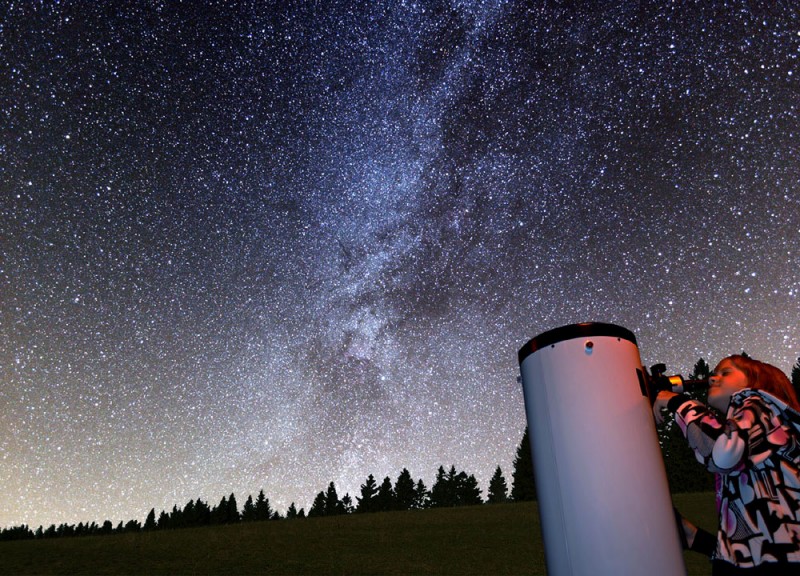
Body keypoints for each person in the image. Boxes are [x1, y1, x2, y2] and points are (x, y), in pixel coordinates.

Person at [653, 354, 800, 574]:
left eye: (725, 372)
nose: (713, 379)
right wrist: (696, 538)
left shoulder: (759, 402)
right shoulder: (755, 436)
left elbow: (721, 454)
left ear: (756, 380)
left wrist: (677, 402)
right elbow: (758, 537)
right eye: (714, 374)